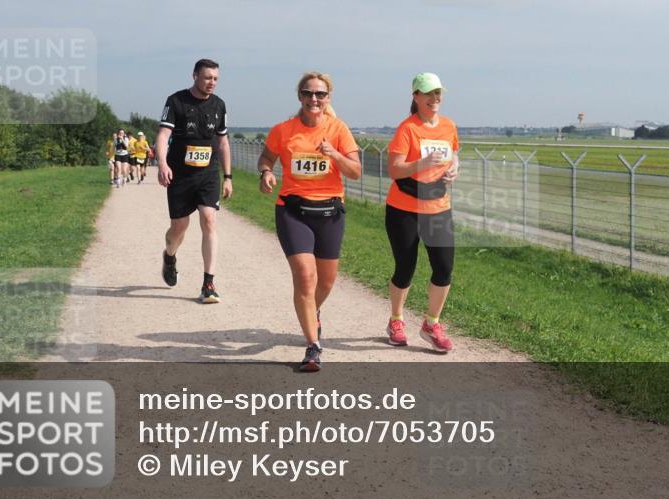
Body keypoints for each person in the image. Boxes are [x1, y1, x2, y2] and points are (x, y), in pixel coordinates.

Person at [257, 71, 360, 372]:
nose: (314, 99)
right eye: (308, 93)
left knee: (326, 281)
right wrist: (266, 173)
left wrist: (334, 154)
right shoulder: (283, 130)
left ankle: (311, 311)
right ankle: (313, 346)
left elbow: (355, 171)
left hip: (329, 213)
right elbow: (266, 157)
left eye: (320, 94)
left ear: (329, 98)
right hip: (293, 210)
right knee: (305, 275)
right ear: (299, 96)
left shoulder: (339, 129)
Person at [384, 72, 459, 353]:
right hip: (404, 208)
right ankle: (396, 319)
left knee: (444, 268)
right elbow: (395, 169)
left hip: (438, 207)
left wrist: (454, 168)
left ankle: (432, 323)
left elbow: (454, 153)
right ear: (415, 96)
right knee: (405, 268)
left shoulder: (449, 126)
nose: (435, 98)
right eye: (428, 93)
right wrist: (423, 161)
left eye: (438, 93)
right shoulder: (407, 129)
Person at [156, 59, 233, 304]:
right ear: (194, 76)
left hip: (208, 174)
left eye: (216, 79)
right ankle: (170, 256)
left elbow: (222, 142)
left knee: (209, 220)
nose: (212, 83)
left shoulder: (219, 105)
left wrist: (228, 177)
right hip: (180, 175)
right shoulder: (176, 101)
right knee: (179, 228)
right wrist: (163, 163)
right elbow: (163, 135)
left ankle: (208, 284)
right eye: (208, 77)